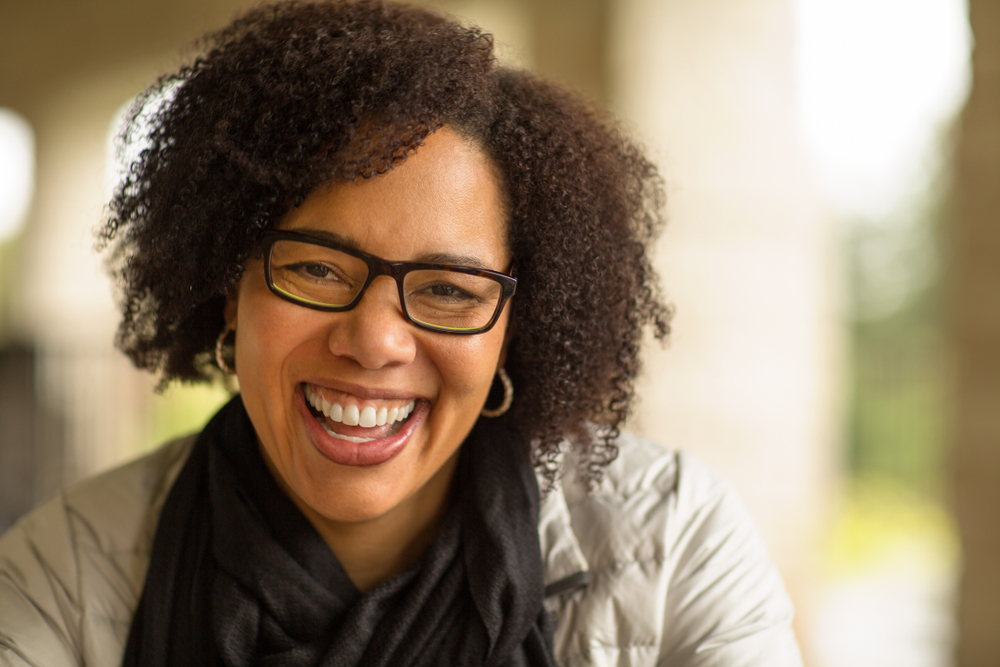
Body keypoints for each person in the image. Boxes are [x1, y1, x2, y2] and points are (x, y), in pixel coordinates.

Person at [0, 1, 803, 665]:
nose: (376, 339)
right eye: (317, 268)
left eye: (451, 288)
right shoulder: (60, 579)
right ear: (229, 290)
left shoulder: (674, 545)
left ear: (512, 331)